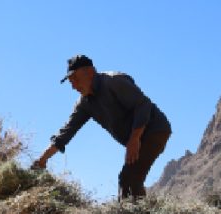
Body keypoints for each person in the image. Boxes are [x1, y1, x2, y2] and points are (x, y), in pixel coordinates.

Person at [32, 55, 172, 200]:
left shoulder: (113, 81)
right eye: (70, 82)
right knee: (128, 179)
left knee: (129, 179)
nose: (73, 86)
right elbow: (66, 132)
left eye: (75, 79)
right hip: (136, 138)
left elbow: (143, 105)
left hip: (154, 130)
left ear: (90, 72)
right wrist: (42, 160)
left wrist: (135, 138)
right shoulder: (85, 104)